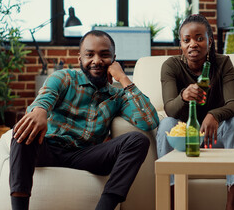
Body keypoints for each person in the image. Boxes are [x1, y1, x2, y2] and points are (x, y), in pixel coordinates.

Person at [9, 30, 159, 210]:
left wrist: (123, 78)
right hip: (48, 148)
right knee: (21, 131)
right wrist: (40, 110)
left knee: (138, 140)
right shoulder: (64, 78)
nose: (96, 60)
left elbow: (150, 121)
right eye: (89, 55)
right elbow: (45, 96)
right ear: (80, 58)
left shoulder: (118, 96)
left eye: (104, 55)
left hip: (85, 155)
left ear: (114, 60)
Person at [156, 14, 234, 210]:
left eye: (199, 38)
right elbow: (170, 109)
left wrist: (214, 114)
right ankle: (170, 204)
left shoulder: (223, 63)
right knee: (165, 125)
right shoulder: (171, 66)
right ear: (181, 44)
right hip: (185, 137)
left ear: (210, 41)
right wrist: (184, 96)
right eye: (187, 40)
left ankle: (232, 204)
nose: (193, 44)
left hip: (215, 134)